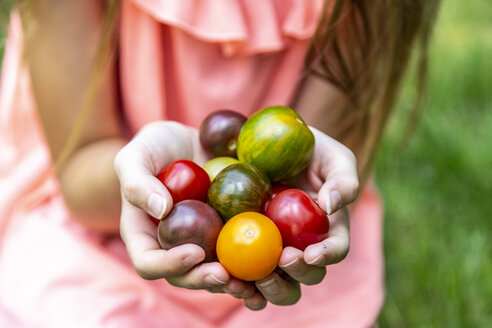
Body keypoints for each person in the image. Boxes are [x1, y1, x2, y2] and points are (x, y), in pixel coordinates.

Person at [0, 0, 439, 327]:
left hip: (277, 260)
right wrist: (145, 184)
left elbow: (291, 173)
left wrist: (306, 209)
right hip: (96, 232)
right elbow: (78, 176)